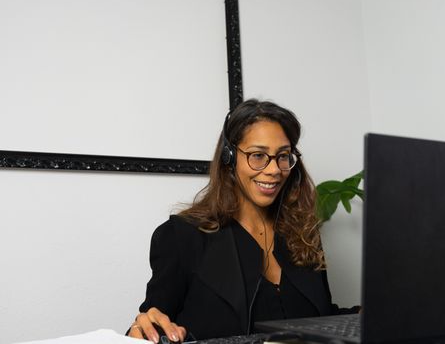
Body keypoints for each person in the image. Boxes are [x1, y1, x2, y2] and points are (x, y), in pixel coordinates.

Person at [127, 99, 358, 343]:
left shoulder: (302, 234)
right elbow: (151, 327)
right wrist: (141, 331)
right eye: (258, 155)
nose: (274, 170)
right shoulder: (181, 236)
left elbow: (319, 318)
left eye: (283, 156)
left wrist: (365, 315)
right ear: (229, 158)